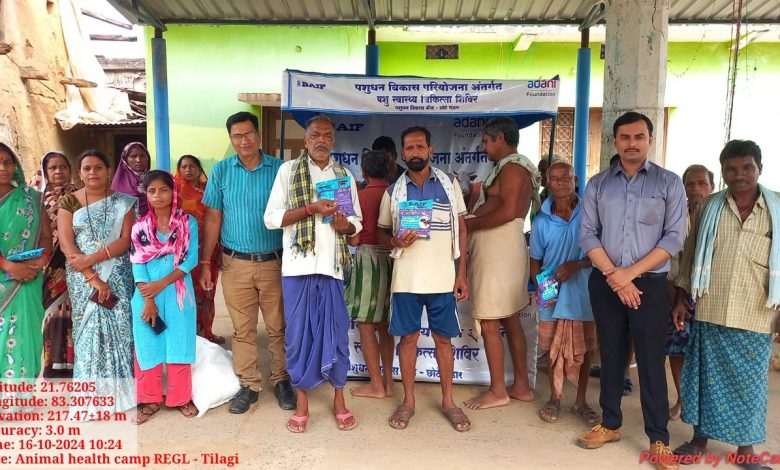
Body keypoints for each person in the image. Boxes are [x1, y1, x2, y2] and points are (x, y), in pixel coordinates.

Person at [578, 112, 686, 469]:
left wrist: (630, 275)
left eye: (639, 136)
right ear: (615, 141)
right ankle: (610, 424)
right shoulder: (598, 184)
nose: (632, 143)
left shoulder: (668, 183)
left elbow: (673, 237)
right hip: (606, 281)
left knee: (651, 359)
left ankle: (658, 438)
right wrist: (615, 276)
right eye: (625, 137)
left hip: (650, 284)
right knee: (610, 352)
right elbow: (587, 234)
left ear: (650, 140)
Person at [672, 140, 780, 467]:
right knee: (704, 381)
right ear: (723, 172)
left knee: (750, 386)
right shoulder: (709, 206)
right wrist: (680, 297)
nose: (739, 175)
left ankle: (745, 450)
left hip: (756, 312)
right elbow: (691, 255)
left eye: (747, 167)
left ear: (759, 168)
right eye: (731, 169)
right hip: (711, 307)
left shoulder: (777, 208)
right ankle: (698, 440)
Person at [264, 114, 362, 433]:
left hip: (333, 268)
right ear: (306, 140)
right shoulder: (288, 171)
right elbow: (271, 218)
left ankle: (339, 399)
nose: (322, 140)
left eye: (328, 135)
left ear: (333, 141)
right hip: (298, 268)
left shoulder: (343, 176)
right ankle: (302, 403)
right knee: (298, 337)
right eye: (316, 135)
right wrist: (310, 209)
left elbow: (356, 225)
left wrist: (344, 225)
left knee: (336, 335)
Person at [377, 126, 471, 432]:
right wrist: (395, 241)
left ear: (431, 150)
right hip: (406, 281)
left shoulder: (449, 184)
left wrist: (461, 273)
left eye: (420, 146)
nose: (415, 152)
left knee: (444, 341)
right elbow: (381, 232)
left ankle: (449, 402)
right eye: (409, 148)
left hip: (443, 279)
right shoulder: (393, 191)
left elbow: (462, 228)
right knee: (408, 340)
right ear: (402, 154)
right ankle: (408, 402)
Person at [201, 112, 295, 413]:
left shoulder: (280, 170)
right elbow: (213, 217)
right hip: (235, 264)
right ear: (231, 139)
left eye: (249, 134)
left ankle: (281, 379)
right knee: (242, 330)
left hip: (274, 262)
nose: (244, 141)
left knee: (278, 326)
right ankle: (248, 383)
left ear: (259, 135)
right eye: (237, 136)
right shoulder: (221, 171)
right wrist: (205, 262)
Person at [462, 116, 538, 410]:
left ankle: (497, 391)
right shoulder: (511, 167)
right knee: (509, 319)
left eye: (486, 141)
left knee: (490, 321)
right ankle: (521, 387)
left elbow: (508, 212)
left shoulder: (513, 168)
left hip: (499, 250)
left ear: (500, 139)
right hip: (501, 249)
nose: (484, 147)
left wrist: (469, 223)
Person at [58, 150, 137, 416]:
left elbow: (125, 240)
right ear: (80, 173)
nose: (93, 172)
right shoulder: (69, 202)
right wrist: (92, 277)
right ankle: (88, 399)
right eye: (87, 168)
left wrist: (93, 258)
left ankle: (122, 395)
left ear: (108, 170)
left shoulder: (124, 202)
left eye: (98, 167)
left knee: (121, 331)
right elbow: (67, 244)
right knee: (88, 333)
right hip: (82, 278)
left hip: (117, 274)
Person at [529, 161, 598, 426]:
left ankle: (581, 401)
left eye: (566, 177)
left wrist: (576, 265)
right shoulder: (541, 220)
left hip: (584, 290)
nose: (560, 182)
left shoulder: (590, 213)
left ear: (575, 181)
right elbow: (535, 259)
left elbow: (601, 252)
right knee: (553, 349)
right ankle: (555, 398)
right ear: (548, 183)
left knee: (586, 347)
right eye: (555, 178)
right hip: (552, 292)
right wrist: (541, 288)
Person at [130, 170, 198, 424]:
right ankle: (149, 399)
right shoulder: (139, 227)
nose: (157, 196)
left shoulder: (187, 223)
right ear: (146, 195)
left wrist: (161, 284)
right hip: (146, 295)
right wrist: (149, 298)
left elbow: (189, 260)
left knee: (180, 343)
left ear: (173, 192)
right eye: (152, 191)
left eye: (163, 190)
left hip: (178, 293)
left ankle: (181, 398)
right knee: (148, 344)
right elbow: (137, 263)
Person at [0, 142, 52, 384]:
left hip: (27, 279)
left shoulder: (32, 199)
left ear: (16, 166)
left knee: (22, 336)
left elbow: (46, 237)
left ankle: (17, 396)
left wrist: (41, 261)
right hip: (10, 273)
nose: (3, 167)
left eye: (7, 162)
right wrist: (9, 266)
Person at [666, 164, 713, 421]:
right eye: (690, 183)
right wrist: (675, 295)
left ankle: (705, 409)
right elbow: (670, 260)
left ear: (712, 187)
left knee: (707, 353)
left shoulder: (718, 216)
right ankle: (682, 400)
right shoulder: (675, 217)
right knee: (677, 348)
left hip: (711, 295)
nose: (696, 188)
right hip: (678, 294)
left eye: (702, 183)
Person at [345, 150, 394, 399]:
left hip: (367, 260)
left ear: (363, 172)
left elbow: (354, 240)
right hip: (394, 259)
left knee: (366, 324)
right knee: (385, 325)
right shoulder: (395, 193)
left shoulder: (360, 197)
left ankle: (376, 385)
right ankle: (389, 382)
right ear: (389, 170)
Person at [33, 151, 81, 378]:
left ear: (70, 169)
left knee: (72, 311)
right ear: (45, 171)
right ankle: (52, 364)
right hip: (46, 263)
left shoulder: (79, 195)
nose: (59, 171)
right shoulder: (36, 199)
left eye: (63, 167)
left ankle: (73, 363)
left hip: (75, 260)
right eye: (53, 168)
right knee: (51, 312)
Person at [175, 155, 224, 344]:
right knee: (188, 293)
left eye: (192, 166)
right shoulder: (175, 192)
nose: (188, 170)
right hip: (185, 253)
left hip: (209, 249)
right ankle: (190, 336)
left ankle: (207, 333)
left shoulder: (209, 189)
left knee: (208, 292)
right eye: (184, 166)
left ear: (199, 168)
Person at [112, 142, 151, 216]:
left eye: (142, 156)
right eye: (133, 156)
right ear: (125, 160)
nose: (138, 160)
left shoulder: (154, 179)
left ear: (148, 158)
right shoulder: (119, 183)